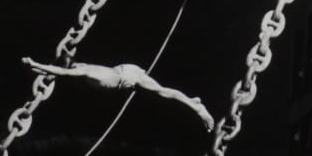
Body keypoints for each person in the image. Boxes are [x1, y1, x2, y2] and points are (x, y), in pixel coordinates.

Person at [23, 55, 214, 130]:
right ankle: (192, 101)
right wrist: (36, 68)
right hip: (124, 71)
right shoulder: (82, 66)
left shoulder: (82, 70)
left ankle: (197, 107)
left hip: (127, 76)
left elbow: (61, 72)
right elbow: (59, 72)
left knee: (163, 93)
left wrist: (35, 64)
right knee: (161, 94)